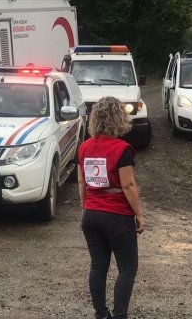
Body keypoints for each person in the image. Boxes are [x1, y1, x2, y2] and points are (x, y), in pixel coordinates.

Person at [78, 96, 146, 319]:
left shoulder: (85, 147)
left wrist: (86, 206)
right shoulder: (122, 149)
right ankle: (119, 316)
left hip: (91, 214)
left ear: (95, 119)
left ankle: (101, 313)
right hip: (116, 215)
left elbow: (81, 183)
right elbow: (127, 184)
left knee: (98, 266)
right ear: (119, 118)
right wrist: (139, 213)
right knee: (127, 268)